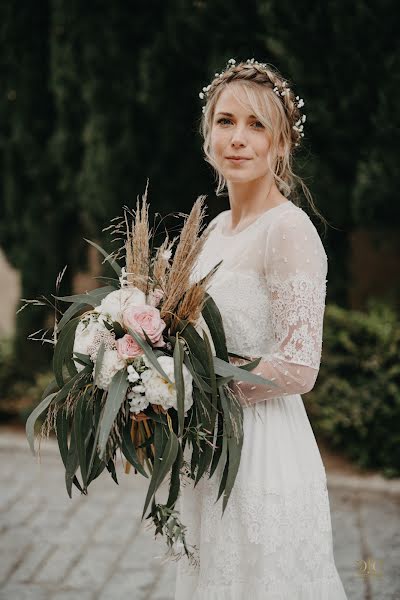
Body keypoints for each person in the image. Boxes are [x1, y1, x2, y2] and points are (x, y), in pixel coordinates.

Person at [174, 58, 348, 599]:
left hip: (264, 453)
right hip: (207, 454)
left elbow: (298, 366)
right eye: (225, 122)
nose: (238, 139)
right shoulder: (213, 231)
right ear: (207, 135)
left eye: (257, 126)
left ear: (281, 144)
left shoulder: (289, 230)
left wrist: (198, 389)